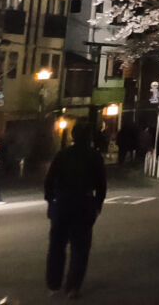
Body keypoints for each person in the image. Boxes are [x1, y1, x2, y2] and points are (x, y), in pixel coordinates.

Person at [43, 120, 107, 299]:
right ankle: (73, 286)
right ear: (89, 137)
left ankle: (54, 283)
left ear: (73, 135)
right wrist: (97, 205)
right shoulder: (94, 156)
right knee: (80, 248)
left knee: (57, 245)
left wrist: (50, 202)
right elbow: (101, 185)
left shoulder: (62, 155)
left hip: (62, 202)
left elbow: (49, 181)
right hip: (84, 203)